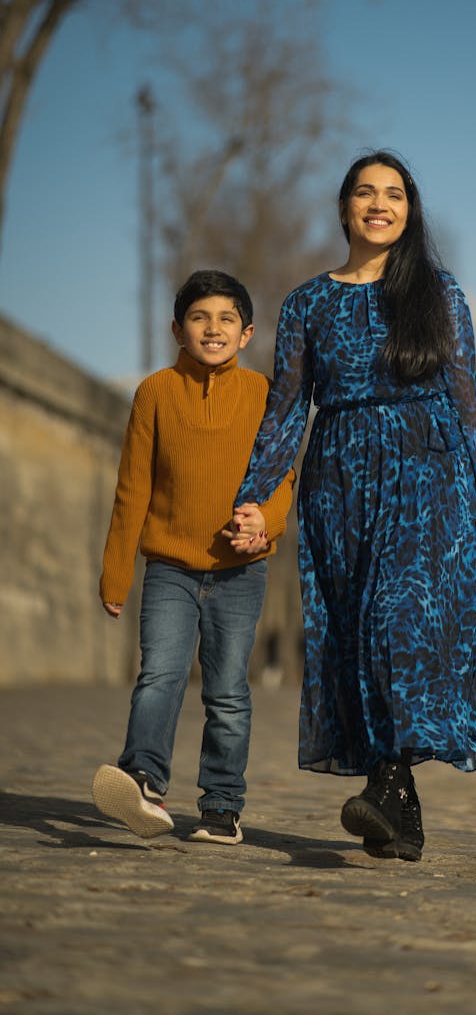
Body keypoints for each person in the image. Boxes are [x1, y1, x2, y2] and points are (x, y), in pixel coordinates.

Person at [231, 151, 476, 862]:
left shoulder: (439, 295)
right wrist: (254, 495)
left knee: (399, 622)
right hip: (339, 482)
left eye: (394, 194)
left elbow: (466, 400)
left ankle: (385, 785)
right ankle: (402, 819)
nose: (379, 204)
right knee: (353, 634)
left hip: (427, 477)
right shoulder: (306, 305)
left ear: (409, 211)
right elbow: (287, 413)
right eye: (366, 192)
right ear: (345, 208)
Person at [92, 270, 294, 845]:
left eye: (227, 318)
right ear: (177, 329)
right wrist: (115, 570)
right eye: (200, 318)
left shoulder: (264, 394)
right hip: (170, 569)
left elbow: (281, 478)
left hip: (240, 570)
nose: (213, 328)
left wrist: (267, 523)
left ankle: (222, 805)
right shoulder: (154, 392)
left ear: (248, 332)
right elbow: (132, 487)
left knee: (228, 690)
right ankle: (144, 783)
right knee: (159, 674)